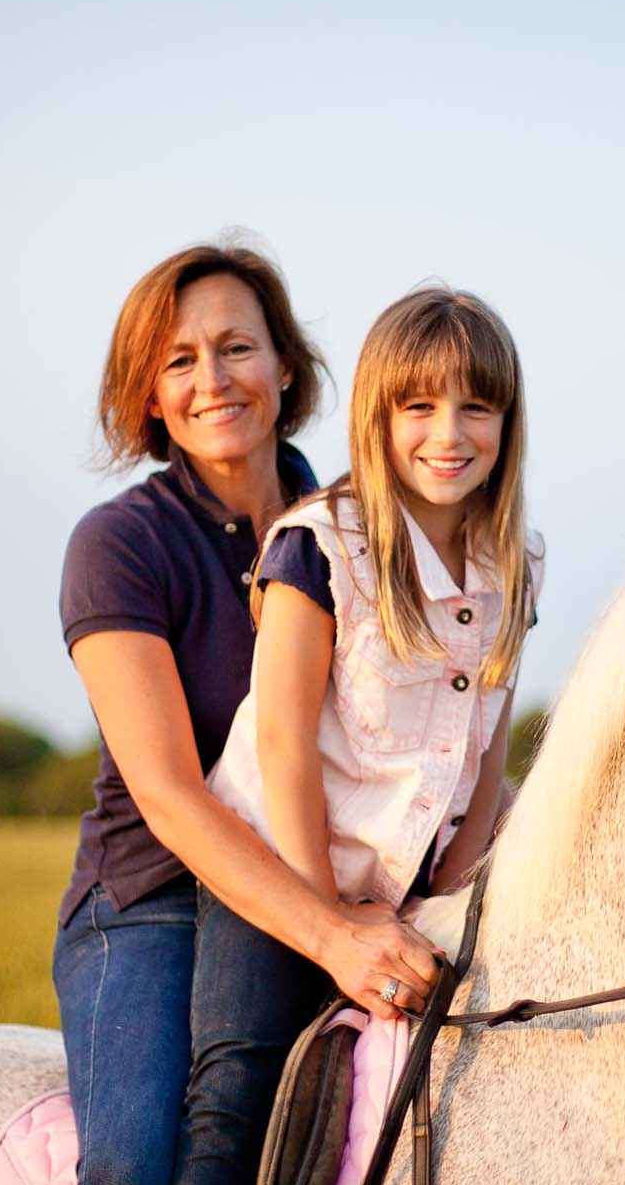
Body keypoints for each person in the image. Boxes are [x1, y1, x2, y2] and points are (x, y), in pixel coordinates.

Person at [50, 243, 443, 1185]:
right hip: (152, 894)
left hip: (320, 859)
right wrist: (330, 933)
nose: (210, 378)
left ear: (285, 365)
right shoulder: (119, 545)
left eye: (235, 347)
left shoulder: (356, 523)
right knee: (134, 1166)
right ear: (147, 393)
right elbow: (176, 799)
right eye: (177, 360)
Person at [208, 287, 541, 989]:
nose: (449, 435)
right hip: (279, 873)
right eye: (419, 407)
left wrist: (445, 900)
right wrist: (325, 919)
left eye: (475, 408)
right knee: (238, 1077)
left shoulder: (516, 565)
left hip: (410, 885)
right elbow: (283, 743)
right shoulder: (319, 547)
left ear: (507, 424)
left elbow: (486, 753)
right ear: (376, 418)